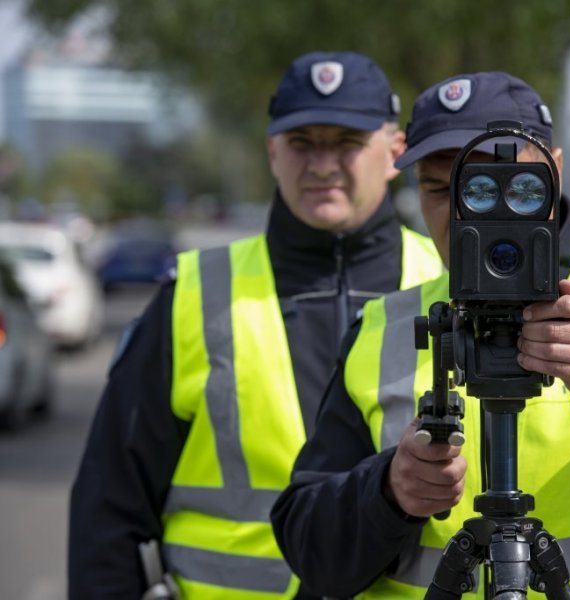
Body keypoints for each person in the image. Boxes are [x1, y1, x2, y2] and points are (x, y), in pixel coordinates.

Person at [272, 71, 570, 598]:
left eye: (510, 188)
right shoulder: (381, 327)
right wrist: (389, 492)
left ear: (556, 172)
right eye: (441, 189)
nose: (468, 214)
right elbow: (310, 550)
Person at [68, 51, 444, 599]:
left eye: (345, 142)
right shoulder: (194, 295)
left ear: (395, 153)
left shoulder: (446, 282)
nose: (321, 165)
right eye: (301, 144)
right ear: (272, 152)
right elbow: (110, 506)